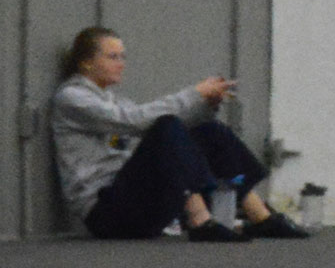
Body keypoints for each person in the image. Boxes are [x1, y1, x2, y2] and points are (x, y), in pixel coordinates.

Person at [50, 26, 308, 242]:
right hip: (106, 214)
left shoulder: (116, 100)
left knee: (208, 132)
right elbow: (136, 121)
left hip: (136, 204)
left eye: (123, 57)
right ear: (86, 62)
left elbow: (167, 128)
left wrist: (206, 105)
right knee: (166, 126)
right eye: (113, 57)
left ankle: (261, 217)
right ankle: (200, 222)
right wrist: (194, 93)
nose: (121, 64)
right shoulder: (72, 98)